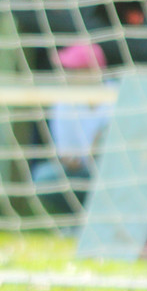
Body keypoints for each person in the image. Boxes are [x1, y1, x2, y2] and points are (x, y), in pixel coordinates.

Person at [32, 43, 114, 233]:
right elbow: (67, 154)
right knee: (44, 178)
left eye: (74, 70)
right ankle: (78, 224)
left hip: (116, 174)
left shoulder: (120, 98)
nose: (67, 75)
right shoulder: (64, 101)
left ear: (93, 72)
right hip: (83, 171)